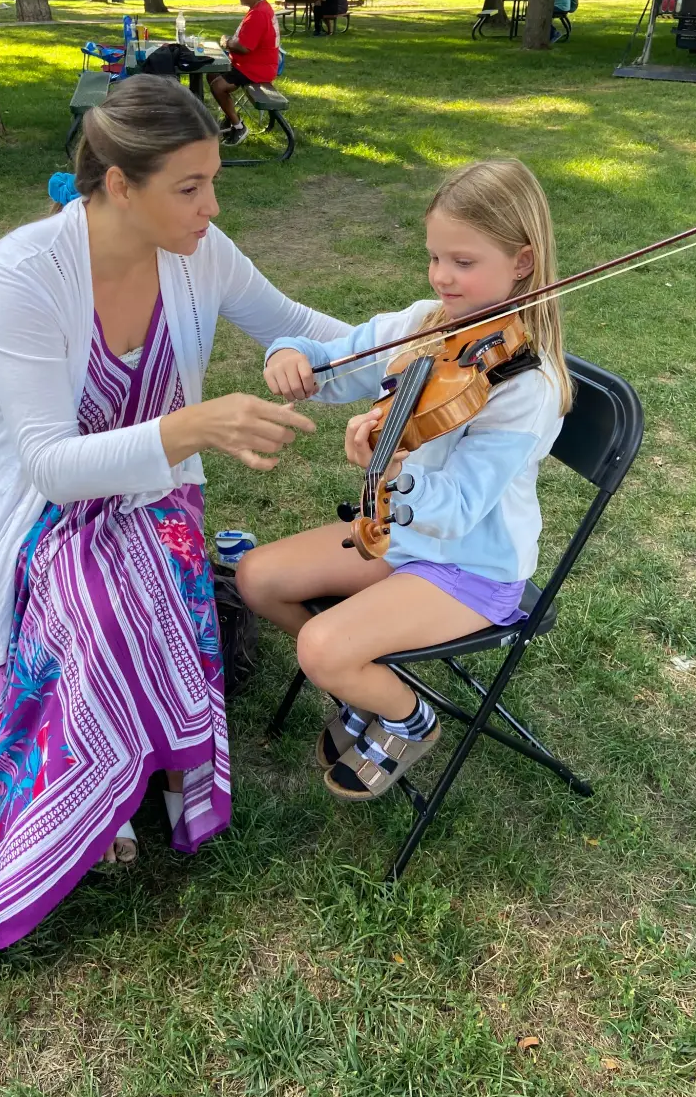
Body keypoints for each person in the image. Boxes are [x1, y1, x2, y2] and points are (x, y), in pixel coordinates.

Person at [0, 77, 350, 955]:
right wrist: (192, 427)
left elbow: (296, 324)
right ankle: (89, 804)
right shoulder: (22, 271)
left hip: (146, 491)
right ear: (118, 185)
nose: (212, 208)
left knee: (147, 583)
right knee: (91, 607)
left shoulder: (199, 252)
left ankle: (144, 773)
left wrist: (413, 350)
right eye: (191, 187)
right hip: (33, 507)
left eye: (214, 182)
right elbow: (49, 466)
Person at [237, 159, 572, 802]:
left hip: (471, 568)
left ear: (523, 261)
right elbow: (338, 358)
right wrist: (292, 355)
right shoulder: (426, 325)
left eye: (463, 262)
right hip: (401, 538)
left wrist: (395, 474)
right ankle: (364, 686)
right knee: (256, 577)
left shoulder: (527, 387)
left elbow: (460, 510)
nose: (442, 276)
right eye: (435, 257)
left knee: (321, 646)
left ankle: (407, 718)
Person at [208, 0, 280, 148]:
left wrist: (226, 42)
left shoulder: (259, 13)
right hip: (250, 64)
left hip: (256, 68)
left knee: (218, 86)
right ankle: (230, 118)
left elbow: (244, 47)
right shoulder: (259, 8)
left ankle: (238, 126)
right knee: (211, 73)